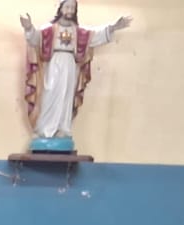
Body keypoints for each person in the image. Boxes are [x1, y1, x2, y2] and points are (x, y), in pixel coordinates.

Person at [19, 2, 132, 147]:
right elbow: (35, 38)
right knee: (50, 94)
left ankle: (62, 129)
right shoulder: (49, 30)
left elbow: (95, 36)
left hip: (70, 65)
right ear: (60, 9)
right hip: (53, 64)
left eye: (73, 8)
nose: (70, 10)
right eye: (67, 7)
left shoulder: (79, 32)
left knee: (67, 96)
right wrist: (28, 27)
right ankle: (44, 130)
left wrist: (113, 27)